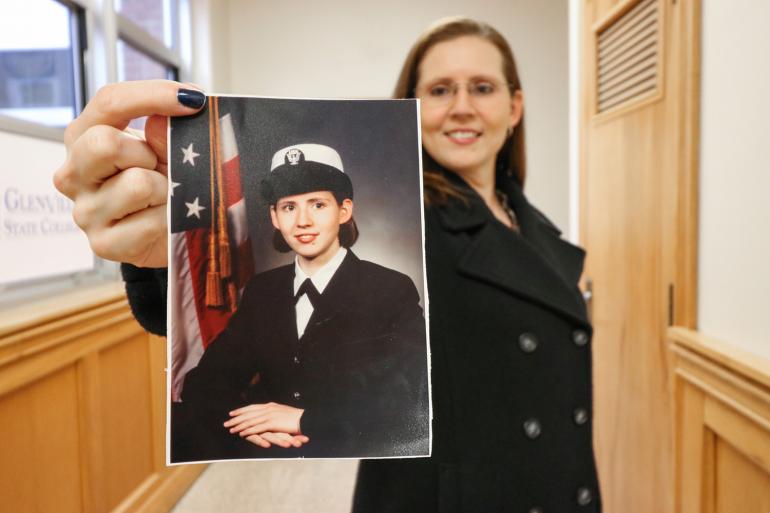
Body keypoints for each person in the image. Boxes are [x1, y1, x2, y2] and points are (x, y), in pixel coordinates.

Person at [54, 16, 601, 513]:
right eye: (439, 90)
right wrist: (158, 248)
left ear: (515, 106)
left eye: (482, 87)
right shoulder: (425, 228)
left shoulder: (530, 223)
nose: (462, 105)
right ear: (411, 106)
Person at [173, 142, 429, 461]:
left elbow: (409, 397)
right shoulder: (263, 291)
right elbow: (205, 381)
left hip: (352, 455)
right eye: (289, 207)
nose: (302, 221)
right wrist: (254, 424)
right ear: (275, 217)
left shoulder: (390, 289)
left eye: (318, 205)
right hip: (272, 454)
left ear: (344, 210)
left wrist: (303, 420)